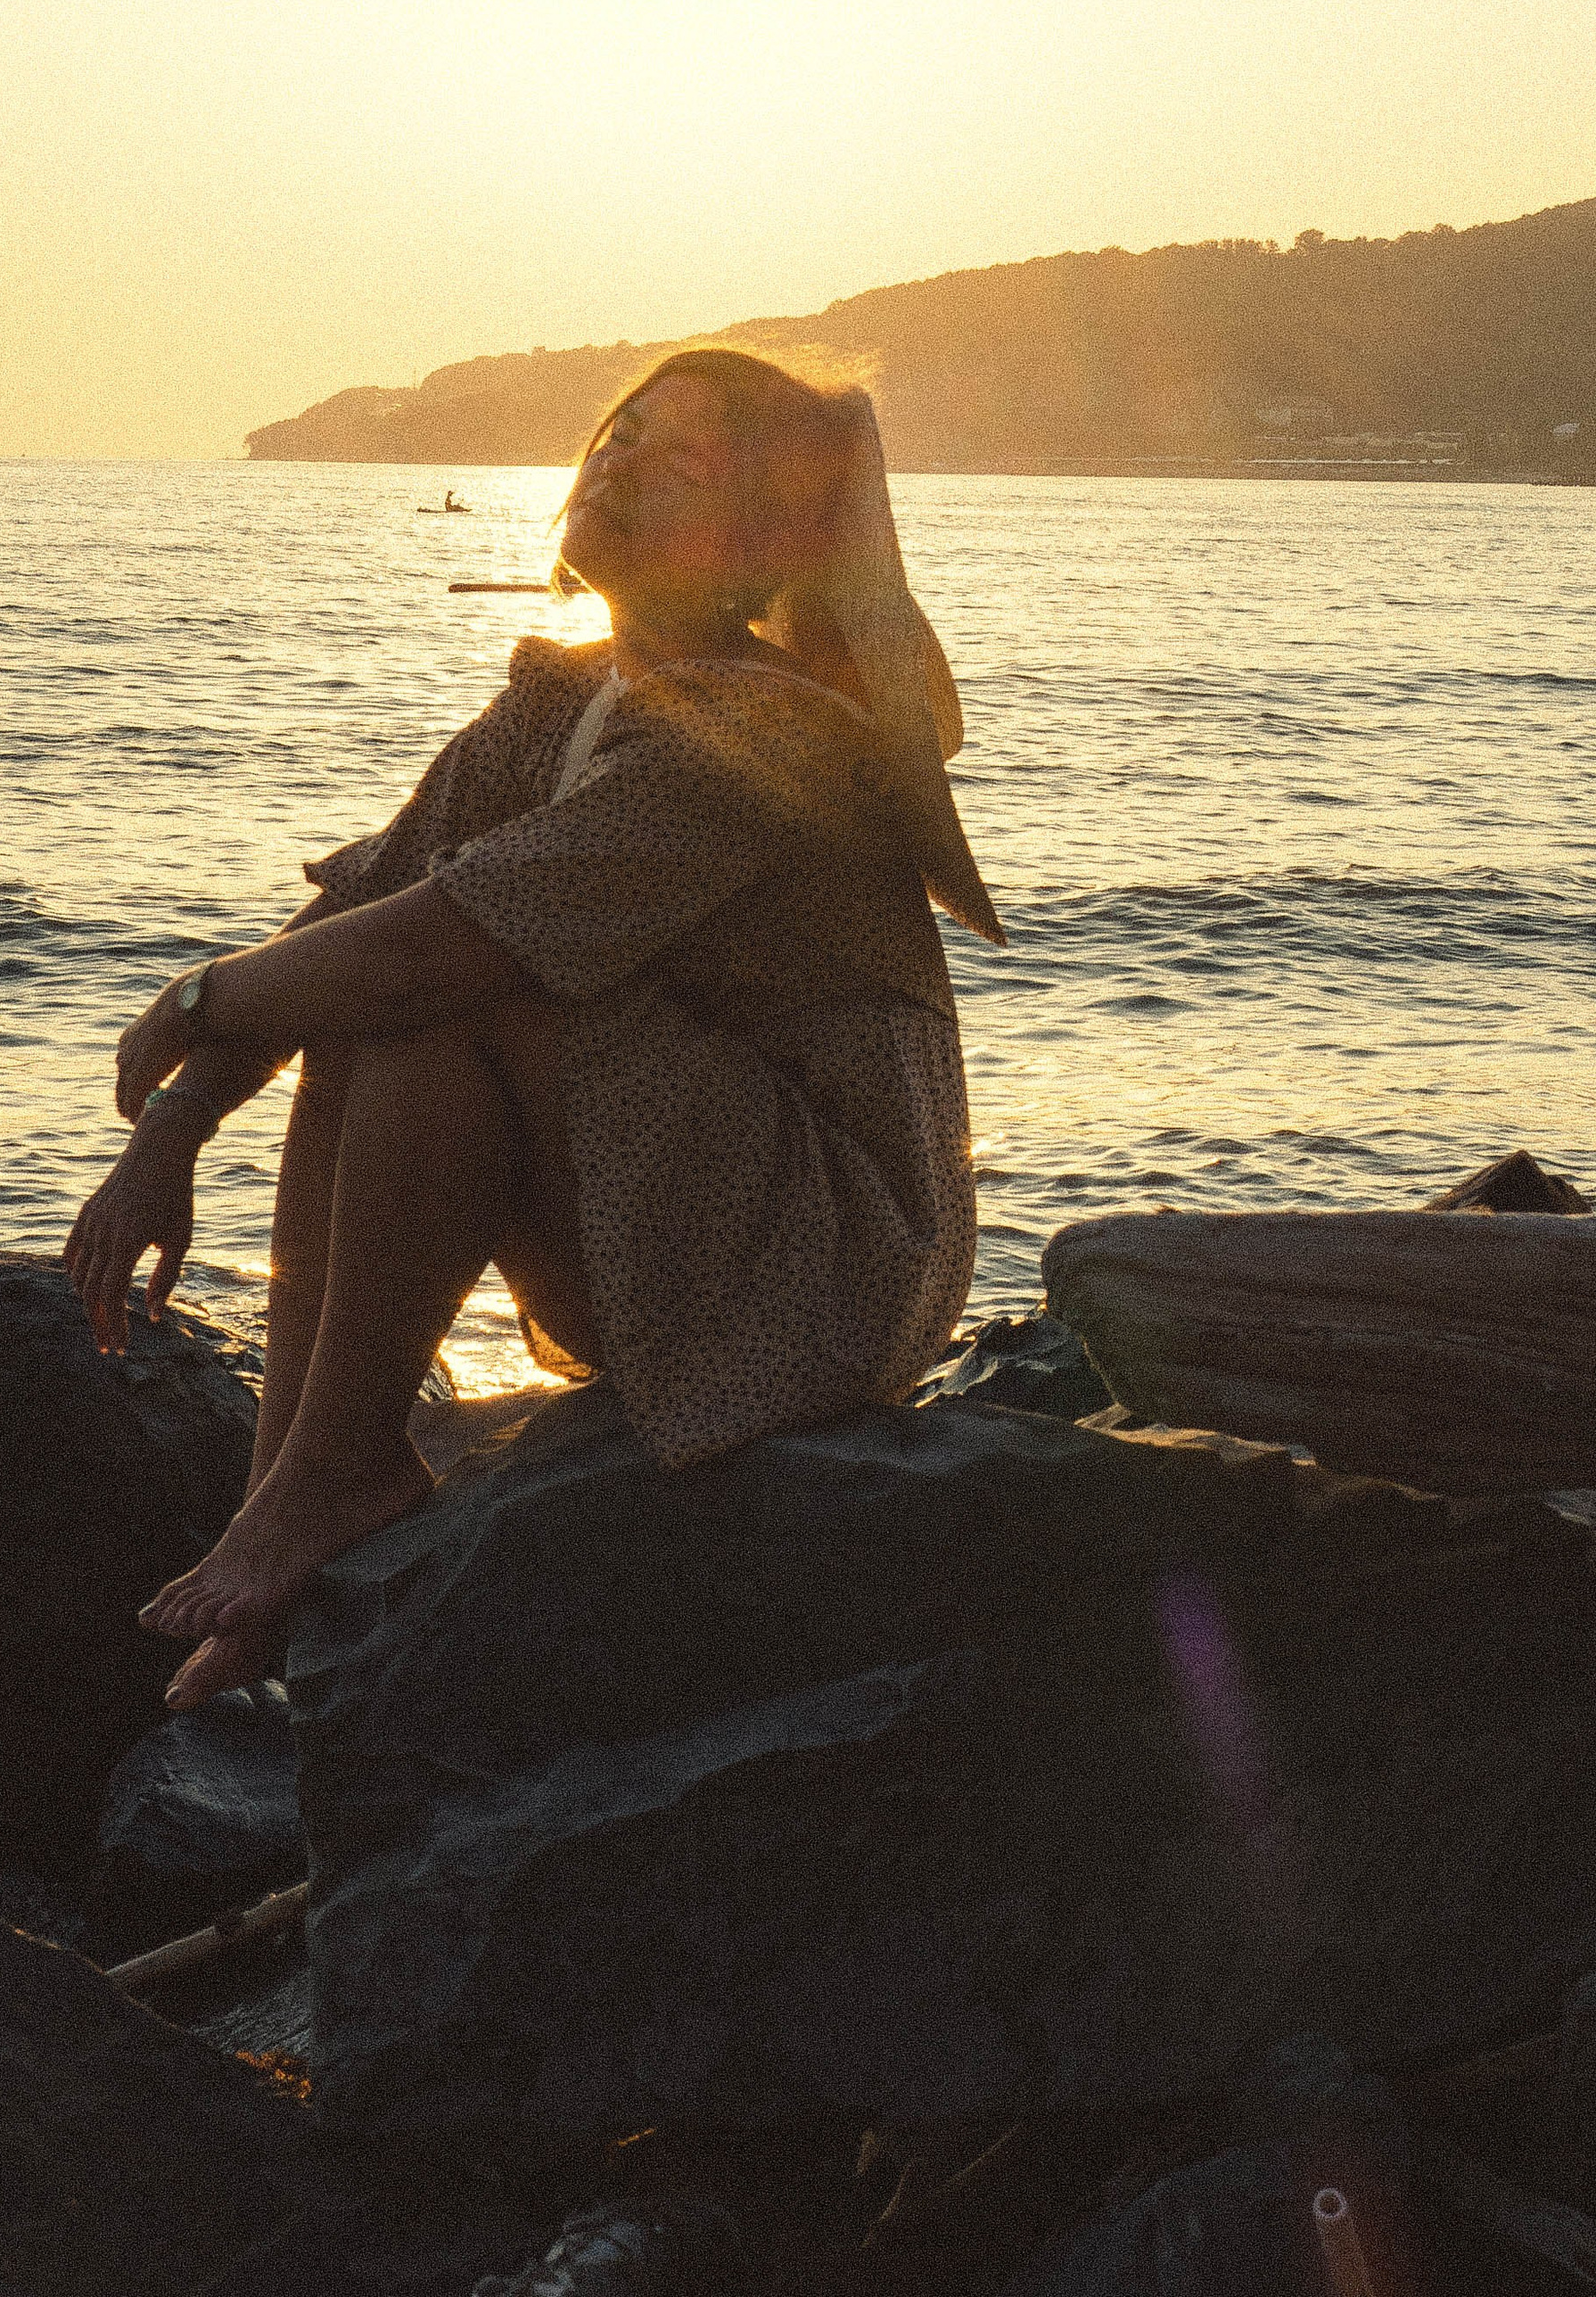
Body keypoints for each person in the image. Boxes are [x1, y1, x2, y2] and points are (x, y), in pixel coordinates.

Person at [65, 351, 1000, 1709]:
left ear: (756, 549)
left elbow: (438, 953)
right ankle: (295, 1492)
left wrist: (192, 998)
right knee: (383, 989)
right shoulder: (557, 704)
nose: (618, 460)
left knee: (449, 985)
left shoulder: (761, 735)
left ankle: (336, 1475)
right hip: (666, 1232)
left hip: (833, 1272)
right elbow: (356, 921)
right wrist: (173, 1125)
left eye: (679, 461)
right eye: (619, 434)